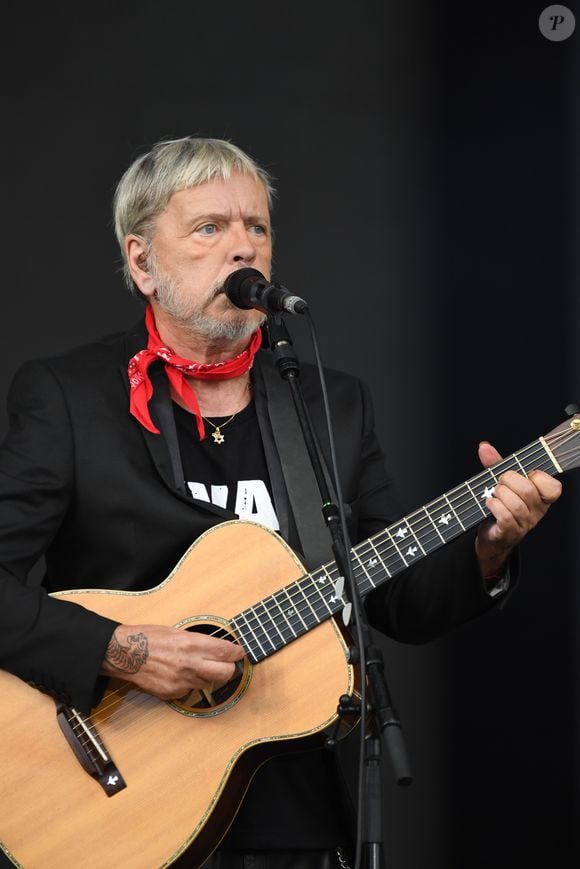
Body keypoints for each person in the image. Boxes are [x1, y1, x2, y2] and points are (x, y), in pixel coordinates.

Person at [0, 136, 561, 869]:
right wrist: (120, 650)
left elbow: (394, 599)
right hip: (114, 801)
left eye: (256, 227)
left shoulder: (329, 403)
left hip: (297, 813)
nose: (244, 248)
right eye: (209, 228)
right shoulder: (69, 397)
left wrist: (490, 547)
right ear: (141, 262)